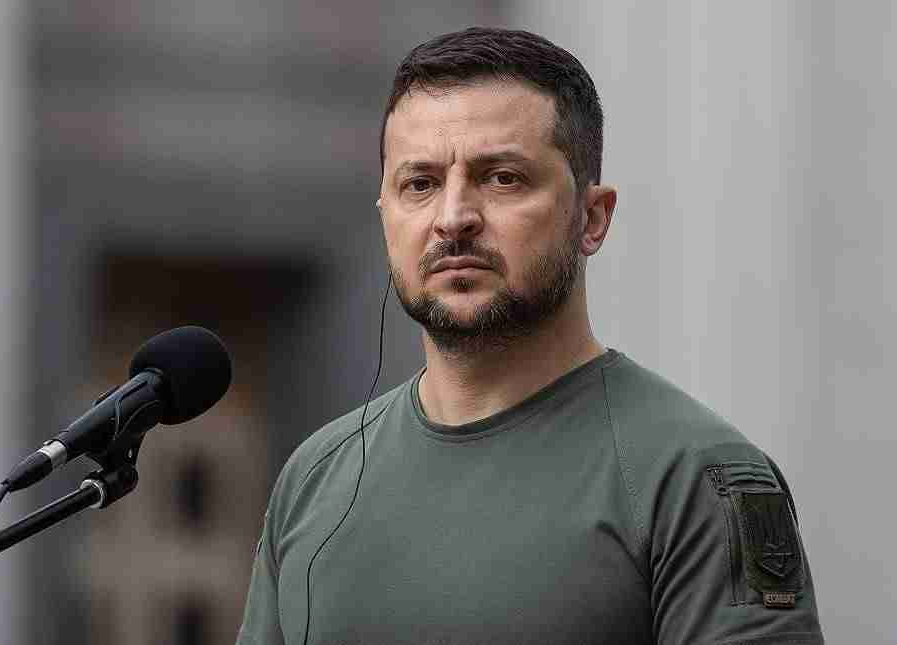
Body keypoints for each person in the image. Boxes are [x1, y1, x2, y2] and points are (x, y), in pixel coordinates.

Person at [236, 27, 823, 645]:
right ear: (385, 214)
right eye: (420, 184)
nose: (453, 218)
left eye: (502, 178)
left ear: (592, 218)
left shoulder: (697, 476)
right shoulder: (314, 479)